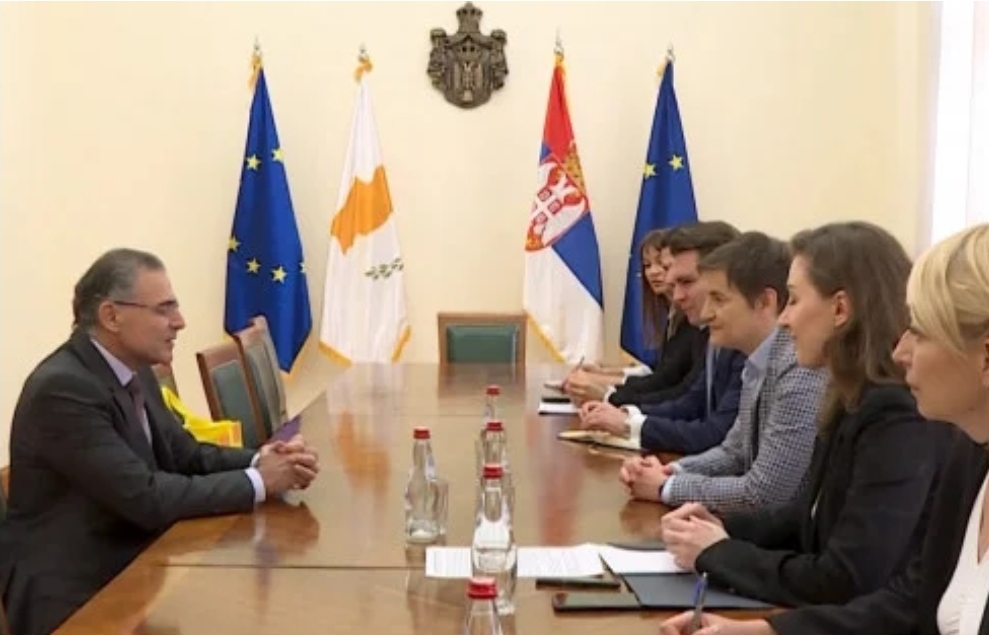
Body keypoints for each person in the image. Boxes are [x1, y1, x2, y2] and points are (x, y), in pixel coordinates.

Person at [658, 223, 973, 634]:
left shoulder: (898, 414)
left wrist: (719, 552)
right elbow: (808, 517)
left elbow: (847, 578)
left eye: (793, 299)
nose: (784, 319)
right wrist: (721, 526)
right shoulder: (850, 396)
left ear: (840, 310)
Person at [0, 248, 321, 635]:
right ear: (111, 316)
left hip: (138, 562)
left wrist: (260, 460)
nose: (180, 322)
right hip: (76, 595)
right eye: (164, 309)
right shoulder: (63, 389)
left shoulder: (135, 370)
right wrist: (260, 482)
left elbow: (184, 454)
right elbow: (145, 497)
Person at [620, 232, 828, 514]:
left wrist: (665, 487)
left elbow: (766, 493)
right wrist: (673, 471)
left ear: (764, 301)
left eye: (718, 299)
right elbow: (734, 452)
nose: (706, 313)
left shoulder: (799, 367)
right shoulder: (758, 359)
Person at [578, 222, 746, 455]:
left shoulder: (752, 348)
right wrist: (627, 416)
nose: (676, 296)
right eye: (648, 265)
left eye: (686, 282)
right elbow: (692, 401)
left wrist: (624, 418)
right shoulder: (720, 336)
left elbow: (716, 435)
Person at [567, 228, 705, 406]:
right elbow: (658, 370)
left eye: (663, 265)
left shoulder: (694, 320)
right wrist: (605, 374)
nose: (654, 272)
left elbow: (669, 383)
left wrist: (605, 389)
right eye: (647, 265)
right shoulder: (674, 313)